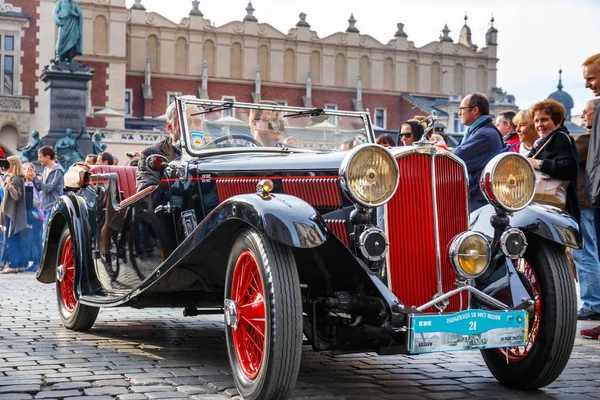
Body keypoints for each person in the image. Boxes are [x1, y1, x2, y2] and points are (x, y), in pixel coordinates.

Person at [571, 98, 600, 323]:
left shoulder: (588, 138)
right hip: (592, 201)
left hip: (585, 200)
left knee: (584, 252)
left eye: (586, 112)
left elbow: (569, 159)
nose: (582, 116)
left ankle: (592, 303)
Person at [527, 99, 579, 220]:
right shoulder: (542, 143)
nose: (539, 125)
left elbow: (569, 168)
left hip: (558, 211)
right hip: (546, 209)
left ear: (558, 121)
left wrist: (537, 163)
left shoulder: (559, 137)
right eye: (536, 121)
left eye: (544, 119)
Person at [451, 93, 505, 212]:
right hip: (477, 196)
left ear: (475, 110)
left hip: (478, 199)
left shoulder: (484, 135)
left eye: (462, 109)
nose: (459, 113)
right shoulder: (479, 131)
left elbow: (455, 158)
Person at [136, 99, 201, 191]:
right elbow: (147, 194)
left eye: (198, 123)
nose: (194, 128)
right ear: (170, 127)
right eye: (187, 123)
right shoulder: (151, 154)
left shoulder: (211, 151)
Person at [0, 156, 29, 273]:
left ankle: (12, 265)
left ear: (13, 165)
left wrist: (9, 185)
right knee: (16, 239)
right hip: (15, 213)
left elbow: (17, 196)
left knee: (10, 239)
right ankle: (19, 265)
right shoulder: (17, 178)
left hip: (14, 214)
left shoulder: (16, 179)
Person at [31, 146, 65, 240]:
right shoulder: (46, 169)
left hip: (53, 206)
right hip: (46, 206)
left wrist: (34, 178)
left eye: (40, 157)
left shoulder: (57, 170)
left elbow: (48, 188)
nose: (39, 159)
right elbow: (39, 188)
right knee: (46, 235)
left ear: (48, 157)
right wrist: (33, 179)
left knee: (46, 235)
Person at [23, 162, 43, 272]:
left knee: (36, 240)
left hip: (36, 215)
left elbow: (35, 201)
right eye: (26, 169)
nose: (28, 171)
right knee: (33, 240)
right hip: (33, 215)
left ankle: (38, 262)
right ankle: (35, 262)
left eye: (30, 169)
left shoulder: (32, 184)